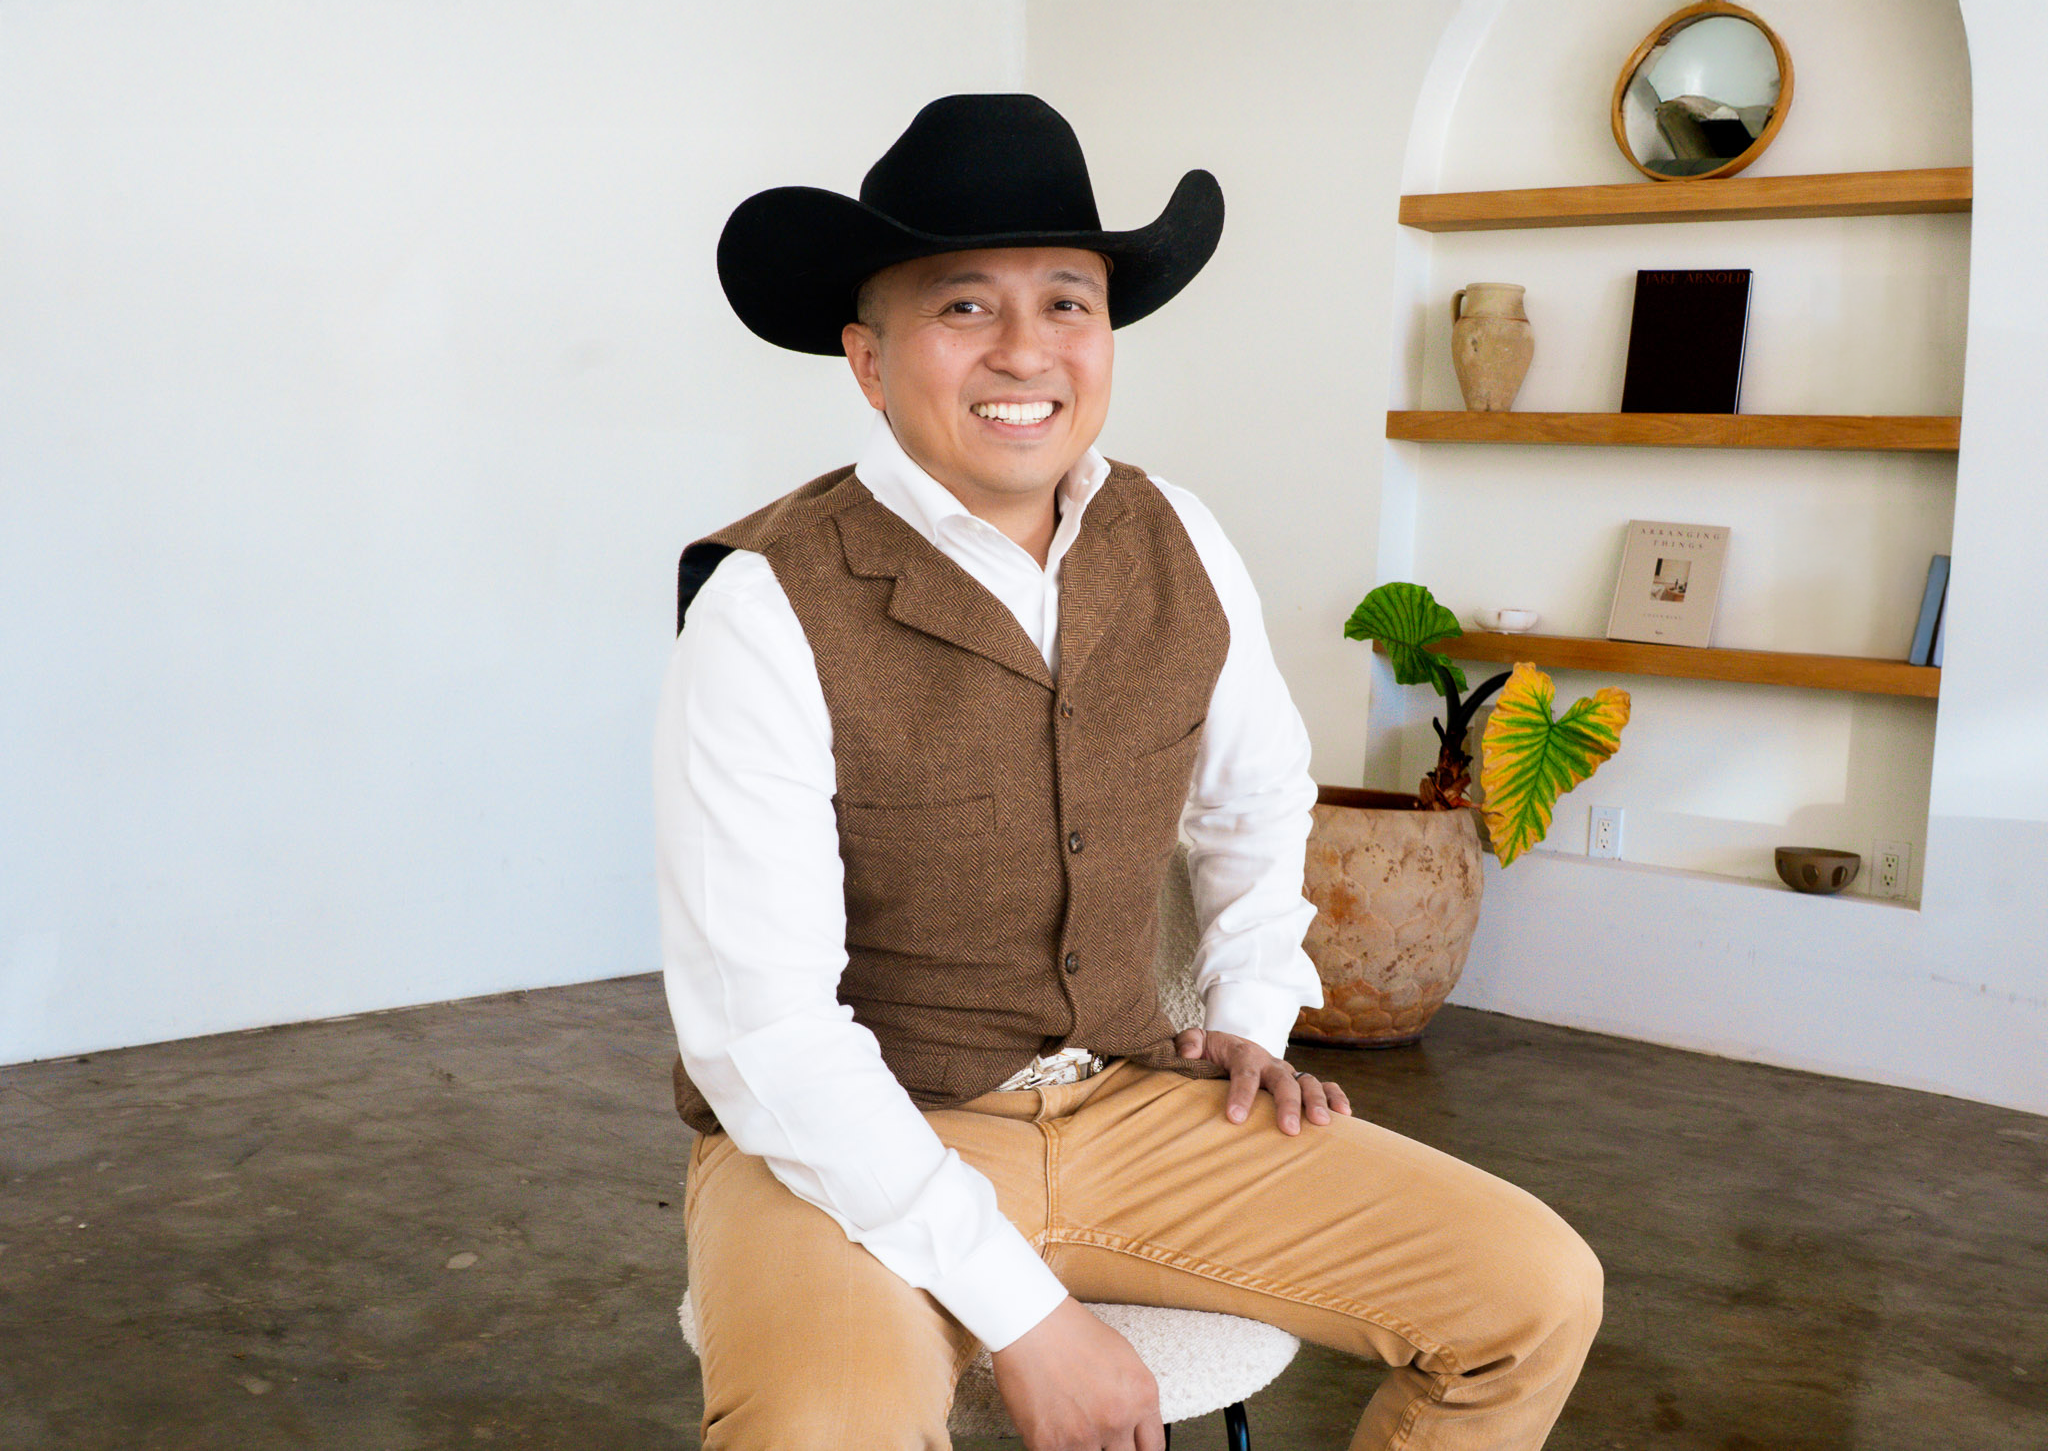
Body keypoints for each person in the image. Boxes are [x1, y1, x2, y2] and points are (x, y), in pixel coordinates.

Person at [656, 93, 1601, 1451]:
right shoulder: (761, 605)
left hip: (1128, 1103)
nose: (1026, 349)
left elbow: (1260, 793)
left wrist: (1252, 1011)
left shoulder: (1180, 539)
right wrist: (1033, 1322)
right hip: (844, 1140)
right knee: (823, 1429)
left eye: (1069, 302)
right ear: (868, 360)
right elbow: (770, 1040)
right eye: (964, 307)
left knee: (1537, 1293)